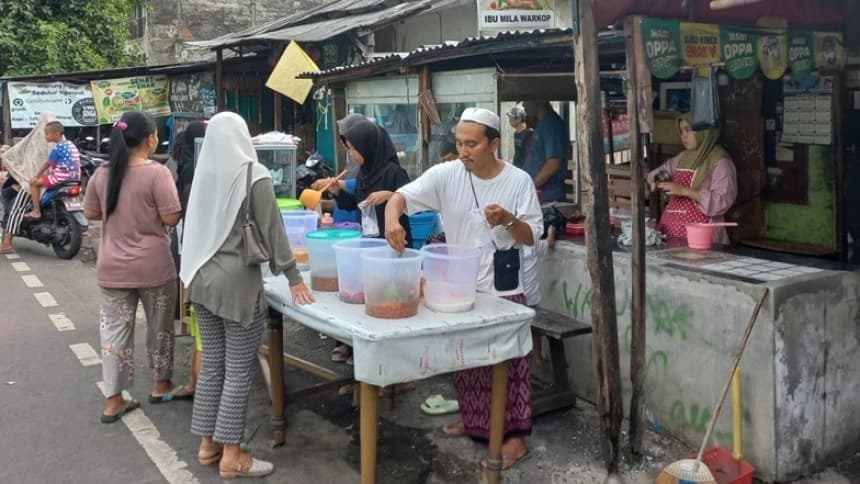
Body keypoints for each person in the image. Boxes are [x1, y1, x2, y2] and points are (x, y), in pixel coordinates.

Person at [384, 107, 543, 471]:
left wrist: (507, 219)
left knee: (510, 363)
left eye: (471, 144)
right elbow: (399, 197)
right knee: (467, 362)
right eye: (459, 143)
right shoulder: (447, 175)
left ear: (494, 144)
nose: (464, 151)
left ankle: (516, 439)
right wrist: (393, 220)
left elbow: (531, 235)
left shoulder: (517, 181)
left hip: (503, 288)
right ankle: (477, 424)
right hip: (459, 286)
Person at [180, 112, 313, 479]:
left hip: (201, 280)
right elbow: (273, 231)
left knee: (213, 366)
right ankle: (233, 455)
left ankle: (208, 446)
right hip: (237, 286)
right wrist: (294, 276)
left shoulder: (205, 176)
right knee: (238, 371)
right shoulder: (254, 175)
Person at [83, 112, 188, 424]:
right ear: (150, 139)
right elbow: (171, 217)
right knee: (160, 328)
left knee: (114, 333)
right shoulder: (157, 174)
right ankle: (161, 384)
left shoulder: (101, 174)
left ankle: (114, 400)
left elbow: (91, 211)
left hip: (112, 268)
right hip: (153, 267)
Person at [313, 117, 412, 365]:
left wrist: (390, 195)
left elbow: (412, 203)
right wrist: (338, 192)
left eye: (354, 149)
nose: (352, 154)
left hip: (392, 246)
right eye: (349, 149)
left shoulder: (393, 172)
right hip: (368, 244)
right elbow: (355, 204)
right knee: (362, 297)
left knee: (387, 299)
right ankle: (354, 346)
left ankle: (389, 359)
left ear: (369, 146)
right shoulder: (365, 173)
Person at [646, 114, 737, 244]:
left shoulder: (721, 162)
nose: (683, 136)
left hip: (703, 239)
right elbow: (660, 172)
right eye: (681, 131)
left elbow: (722, 202)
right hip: (670, 234)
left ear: (703, 132)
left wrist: (685, 191)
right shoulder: (683, 157)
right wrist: (657, 179)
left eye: (688, 130)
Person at [26, 121, 81, 219]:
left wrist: (36, 176)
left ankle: (36, 211)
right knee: (44, 179)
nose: (46, 136)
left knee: (33, 184)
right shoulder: (70, 144)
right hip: (74, 177)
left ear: (56, 134)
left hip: (60, 178)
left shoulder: (58, 147)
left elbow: (48, 163)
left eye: (47, 134)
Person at [522, 101, 570, 203]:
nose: (523, 105)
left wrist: (530, 187)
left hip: (548, 195)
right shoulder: (542, 123)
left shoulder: (552, 124)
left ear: (539, 101)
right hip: (539, 194)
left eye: (526, 100)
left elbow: (553, 164)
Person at [506, 104, 532, 169]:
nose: (510, 120)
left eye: (511, 117)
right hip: (517, 167)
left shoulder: (529, 134)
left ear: (519, 119)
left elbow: (530, 156)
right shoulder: (516, 133)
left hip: (525, 168)